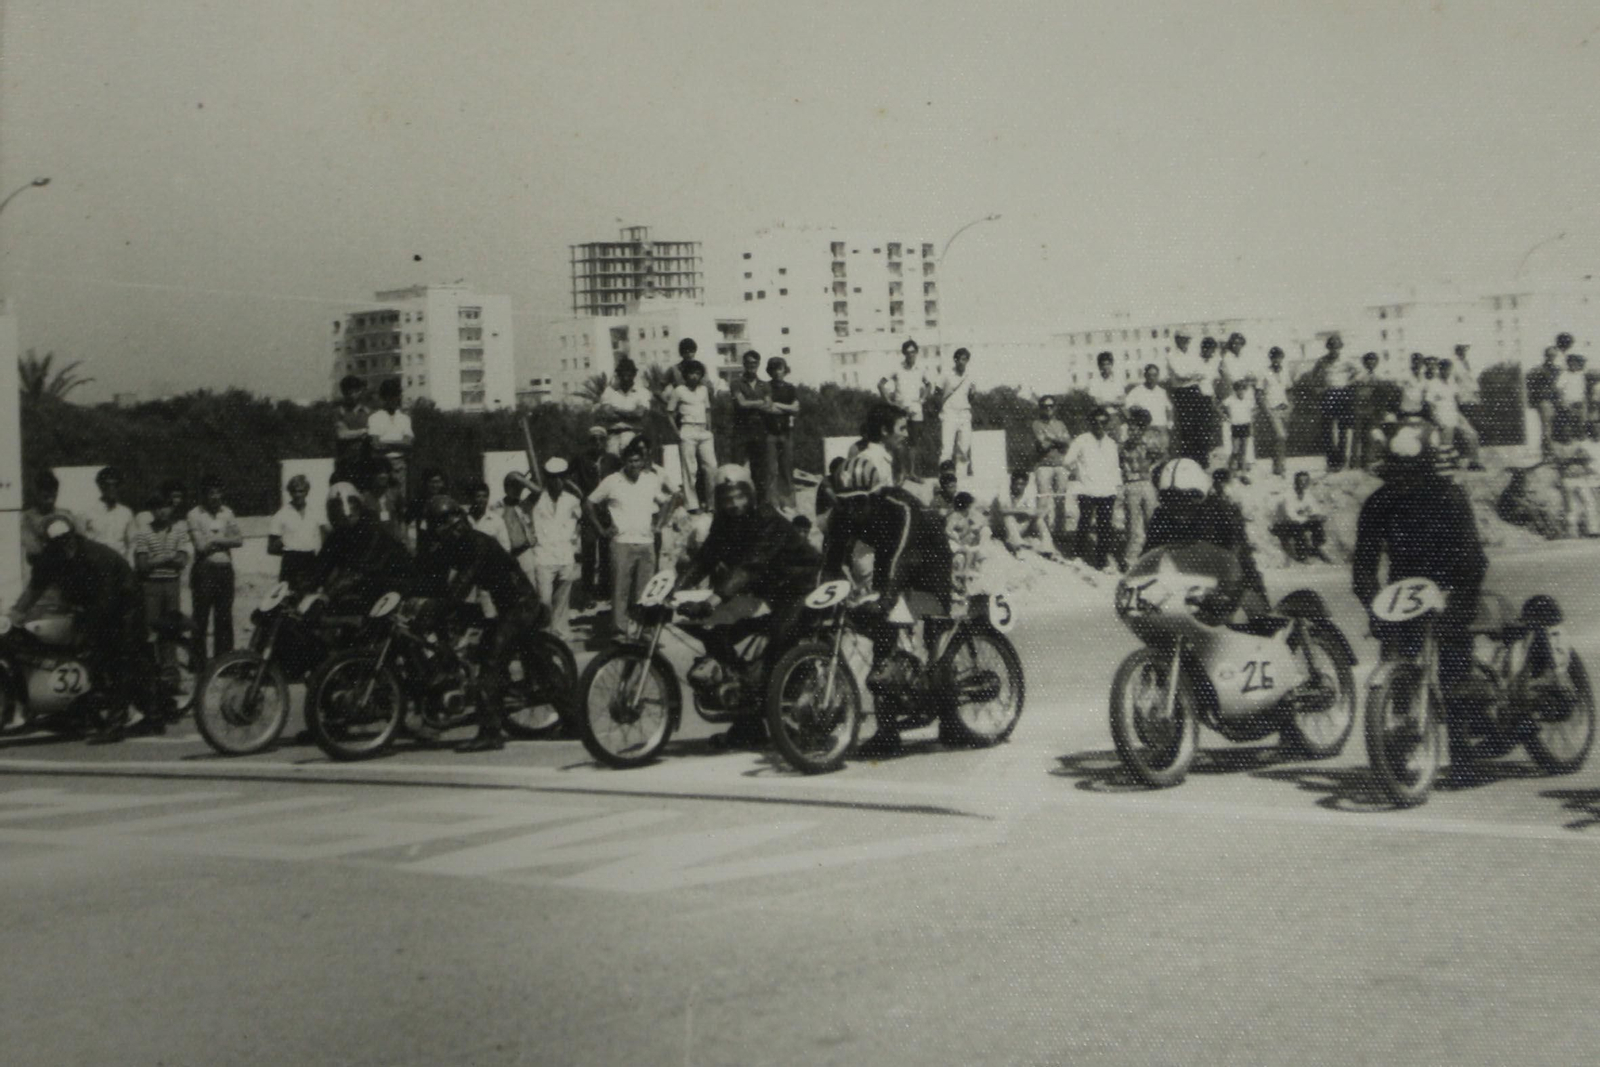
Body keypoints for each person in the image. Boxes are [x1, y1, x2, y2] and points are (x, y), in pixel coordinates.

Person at [820, 403, 955, 755]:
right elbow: (831, 559)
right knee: (883, 638)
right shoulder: (846, 513)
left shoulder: (898, 509)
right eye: (845, 504)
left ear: (873, 495)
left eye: (858, 503)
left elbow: (900, 557)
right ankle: (888, 731)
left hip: (928, 555)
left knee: (934, 633)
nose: (852, 511)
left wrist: (886, 596)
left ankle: (951, 716)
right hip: (892, 556)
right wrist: (824, 593)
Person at [676, 463, 822, 749]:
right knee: (715, 631)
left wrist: (714, 599)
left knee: (782, 639)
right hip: (766, 590)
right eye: (727, 499)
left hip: (799, 586)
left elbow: (751, 565)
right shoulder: (723, 521)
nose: (734, 504)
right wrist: (675, 591)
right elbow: (705, 558)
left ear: (750, 494)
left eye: (739, 496)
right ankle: (747, 719)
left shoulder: (767, 518)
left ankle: (794, 718)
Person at [1352, 422, 1488, 715]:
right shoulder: (1378, 504)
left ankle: (1466, 729)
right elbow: (1363, 566)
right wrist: (1374, 605)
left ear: (1427, 467)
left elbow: (1472, 560)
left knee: (1457, 679)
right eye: (1398, 470)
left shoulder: (1450, 497)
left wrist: (1457, 604)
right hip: (1403, 592)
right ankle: (1398, 734)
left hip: (1449, 588)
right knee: (1396, 661)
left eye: (1412, 471)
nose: (1404, 480)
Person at [9, 521, 172, 738]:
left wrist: (88, 631)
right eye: (57, 543)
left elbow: (104, 600)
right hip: (95, 606)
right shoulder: (50, 558)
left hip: (125, 603)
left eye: (66, 540)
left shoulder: (95, 557)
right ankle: (83, 712)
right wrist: (14, 615)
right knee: (86, 655)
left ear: (73, 538)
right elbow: (34, 589)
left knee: (121, 658)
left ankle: (119, 722)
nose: (64, 546)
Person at [412, 496, 549, 754]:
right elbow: (432, 575)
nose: (441, 531)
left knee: (490, 661)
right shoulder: (453, 546)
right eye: (436, 526)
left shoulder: (478, 544)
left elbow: (461, 585)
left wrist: (437, 608)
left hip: (521, 604)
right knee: (537, 660)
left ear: (456, 521)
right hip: (505, 606)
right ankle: (572, 716)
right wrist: (415, 596)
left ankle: (490, 733)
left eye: (443, 524)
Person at [1144, 457, 1268, 612]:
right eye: (1169, 499)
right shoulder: (1160, 516)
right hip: (1178, 590)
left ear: (1199, 496)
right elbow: (1148, 556)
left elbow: (1240, 558)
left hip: (1224, 588)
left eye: (1184, 499)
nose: (1177, 507)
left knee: (1253, 613)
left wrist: (1233, 592)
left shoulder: (1222, 513)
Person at [584, 435, 674, 636]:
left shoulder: (651, 480)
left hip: (646, 543)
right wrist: (601, 530)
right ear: (624, 462)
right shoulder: (612, 480)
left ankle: (644, 631)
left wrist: (660, 524)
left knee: (646, 592)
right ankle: (619, 632)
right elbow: (589, 503)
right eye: (630, 461)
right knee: (620, 590)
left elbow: (668, 500)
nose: (634, 465)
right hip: (621, 544)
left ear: (642, 462)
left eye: (637, 461)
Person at [311, 483, 416, 616]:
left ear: (359, 508)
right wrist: (304, 587)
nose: (346, 517)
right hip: (368, 585)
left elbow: (359, 571)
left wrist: (328, 594)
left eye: (351, 511)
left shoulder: (372, 531)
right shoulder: (338, 534)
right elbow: (322, 564)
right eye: (338, 513)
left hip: (393, 585)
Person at [132, 487, 191, 680]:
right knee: (151, 631)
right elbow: (142, 565)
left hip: (172, 585)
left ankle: (171, 676)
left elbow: (182, 561)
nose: (162, 512)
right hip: (151, 586)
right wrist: (166, 558)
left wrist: (156, 559)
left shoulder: (179, 530)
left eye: (165, 507)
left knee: (171, 629)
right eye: (157, 508)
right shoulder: (143, 532)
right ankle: (150, 676)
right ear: (152, 511)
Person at [187, 473, 242, 661]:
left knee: (224, 616)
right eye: (211, 493)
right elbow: (200, 547)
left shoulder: (228, 513)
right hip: (204, 570)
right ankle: (198, 661)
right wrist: (225, 541)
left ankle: (224, 660)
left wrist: (216, 539)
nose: (215, 497)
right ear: (204, 494)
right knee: (201, 616)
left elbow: (239, 540)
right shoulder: (194, 514)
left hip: (225, 570)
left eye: (218, 493)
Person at [529, 457, 583, 640]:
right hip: (543, 558)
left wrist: (574, 542)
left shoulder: (572, 500)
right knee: (544, 602)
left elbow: (580, 521)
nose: (557, 481)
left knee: (561, 604)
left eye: (561, 477)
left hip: (565, 557)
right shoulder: (535, 499)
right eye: (552, 477)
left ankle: (559, 639)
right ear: (546, 478)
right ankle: (544, 637)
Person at [1065, 405, 1123, 571]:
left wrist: (1116, 489)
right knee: (1084, 523)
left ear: (1107, 424)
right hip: (1087, 489)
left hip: (1106, 490)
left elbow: (1115, 467)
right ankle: (1078, 556)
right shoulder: (1081, 440)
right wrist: (1076, 472)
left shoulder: (1111, 443)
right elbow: (1067, 461)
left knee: (1105, 526)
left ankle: (1101, 561)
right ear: (1090, 423)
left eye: (1103, 423)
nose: (1100, 426)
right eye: (1096, 423)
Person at [666, 358, 717, 513]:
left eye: (697, 373)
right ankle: (692, 505)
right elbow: (669, 414)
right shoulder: (679, 391)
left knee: (711, 467)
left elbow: (707, 410)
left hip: (703, 431)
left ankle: (712, 503)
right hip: (687, 430)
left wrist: (709, 428)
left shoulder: (703, 390)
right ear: (685, 375)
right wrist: (677, 433)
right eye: (691, 373)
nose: (694, 376)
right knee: (690, 469)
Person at [879, 338, 929, 480]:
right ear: (903, 354)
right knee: (899, 441)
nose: (910, 355)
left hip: (915, 409)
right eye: (907, 353)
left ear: (917, 353)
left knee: (914, 442)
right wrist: (889, 402)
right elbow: (880, 384)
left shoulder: (921, 368)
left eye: (913, 352)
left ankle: (912, 473)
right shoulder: (896, 368)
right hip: (900, 409)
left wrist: (922, 399)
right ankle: (900, 473)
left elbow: (929, 385)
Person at [268, 474, 327, 590]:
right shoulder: (281, 515)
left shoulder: (315, 512)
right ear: (290, 493)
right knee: (289, 598)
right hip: (290, 561)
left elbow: (328, 534)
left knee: (310, 597)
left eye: (301, 491)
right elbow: (271, 548)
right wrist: (287, 542)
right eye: (294, 491)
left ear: (307, 492)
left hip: (310, 559)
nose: (297, 495)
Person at [1119, 407, 1163, 564]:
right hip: (1131, 484)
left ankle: (1151, 556)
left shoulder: (1150, 442)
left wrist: (1151, 467)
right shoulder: (1125, 444)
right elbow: (1122, 459)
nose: (1135, 429)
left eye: (1140, 425)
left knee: (1151, 520)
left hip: (1146, 482)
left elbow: (1160, 456)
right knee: (1132, 524)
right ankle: (1129, 558)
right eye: (1135, 425)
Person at [728, 350, 772, 502]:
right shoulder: (736, 383)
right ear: (744, 364)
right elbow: (741, 404)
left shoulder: (764, 385)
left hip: (759, 429)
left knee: (759, 470)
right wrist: (760, 403)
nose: (751, 366)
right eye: (748, 363)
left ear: (758, 364)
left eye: (754, 363)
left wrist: (752, 404)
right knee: (737, 467)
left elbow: (769, 405)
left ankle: (760, 503)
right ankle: (736, 500)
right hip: (741, 429)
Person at [1165, 329, 1212, 464]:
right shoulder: (1171, 355)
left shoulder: (1193, 355)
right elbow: (1180, 375)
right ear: (1177, 340)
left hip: (1195, 391)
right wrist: (1193, 376)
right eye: (1183, 339)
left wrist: (1191, 376)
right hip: (1181, 393)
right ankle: (1189, 461)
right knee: (1186, 427)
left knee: (1200, 426)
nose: (1186, 342)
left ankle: (1202, 460)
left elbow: (1201, 373)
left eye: (1188, 339)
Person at [1030, 395, 1073, 544]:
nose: (1048, 409)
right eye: (1045, 406)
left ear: (1054, 407)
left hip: (1060, 465)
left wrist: (1051, 438)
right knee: (1043, 500)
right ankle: (1043, 531)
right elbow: (1042, 446)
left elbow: (1068, 442)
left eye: (1051, 406)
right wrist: (1058, 439)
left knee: (1060, 500)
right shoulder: (1036, 424)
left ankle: (1060, 532)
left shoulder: (1060, 424)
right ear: (1040, 408)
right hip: (1044, 466)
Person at [931, 346, 976, 476]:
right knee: (947, 448)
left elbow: (971, 398)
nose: (963, 362)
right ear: (955, 360)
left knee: (964, 447)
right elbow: (937, 393)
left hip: (964, 413)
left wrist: (973, 393)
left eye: (966, 359)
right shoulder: (946, 374)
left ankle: (960, 477)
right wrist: (939, 408)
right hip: (949, 413)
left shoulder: (970, 375)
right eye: (961, 359)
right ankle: (945, 477)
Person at [20, 469, 82, 564]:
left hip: (68, 569)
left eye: (53, 489)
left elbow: (80, 541)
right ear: (36, 492)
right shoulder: (28, 518)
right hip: (43, 569)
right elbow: (33, 550)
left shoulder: (67, 514)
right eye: (44, 489)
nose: (49, 494)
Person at [1431, 358, 1483, 470]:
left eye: (1449, 370)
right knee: (1446, 444)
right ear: (1440, 369)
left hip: (1455, 414)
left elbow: (1457, 400)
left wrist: (1463, 414)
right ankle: (1447, 466)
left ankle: (1474, 463)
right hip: (1442, 415)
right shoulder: (1433, 384)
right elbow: (1430, 406)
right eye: (1445, 370)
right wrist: (1437, 421)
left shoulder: (1452, 383)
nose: (1447, 372)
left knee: (1472, 434)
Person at [366, 378, 414, 498]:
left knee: (400, 499)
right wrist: (399, 443)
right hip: (381, 466)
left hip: (400, 465)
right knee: (383, 499)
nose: (392, 399)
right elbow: (375, 445)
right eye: (389, 396)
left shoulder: (404, 418)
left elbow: (408, 444)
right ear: (383, 397)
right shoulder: (375, 418)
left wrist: (386, 443)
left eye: (395, 395)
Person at [1315, 334, 1356, 471]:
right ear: (1328, 348)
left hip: (1343, 394)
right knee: (1328, 429)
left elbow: (1360, 373)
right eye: (1332, 347)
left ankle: (1342, 460)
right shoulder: (1322, 361)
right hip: (1328, 394)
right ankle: (1331, 461)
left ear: (1341, 347)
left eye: (1337, 347)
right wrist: (1320, 388)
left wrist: (1350, 382)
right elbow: (1314, 375)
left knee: (1343, 429)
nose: (1334, 350)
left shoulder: (1347, 360)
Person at [1271, 471, 1332, 563]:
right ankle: (1302, 555)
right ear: (1296, 482)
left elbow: (1315, 509)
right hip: (1282, 524)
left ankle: (1316, 548)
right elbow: (1291, 516)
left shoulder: (1307, 494)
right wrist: (1309, 517)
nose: (1304, 484)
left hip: (1299, 521)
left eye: (1306, 481)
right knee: (1298, 527)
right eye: (1301, 481)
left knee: (1317, 524)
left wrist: (1317, 516)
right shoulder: (1288, 495)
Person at [596, 358, 652, 458]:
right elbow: (607, 414)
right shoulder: (609, 392)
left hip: (633, 436)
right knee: (612, 468)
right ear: (618, 374)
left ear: (634, 374)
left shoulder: (642, 392)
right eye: (623, 373)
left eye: (629, 373)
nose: (626, 377)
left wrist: (616, 410)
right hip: (613, 437)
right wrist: (630, 414)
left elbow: (639, 414)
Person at [764, 355, 799, 510]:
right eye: (774, 369)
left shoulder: (791, 388)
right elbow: (767, 407)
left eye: (780, 369)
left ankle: (789, 504)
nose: (777, 372)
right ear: (769, 371)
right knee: (771, 470)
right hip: (769, 433)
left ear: (785, 370)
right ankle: (773, 504)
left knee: (787, 468)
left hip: (786, 433)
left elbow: (796, 408)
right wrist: (786, 408)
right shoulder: (765, 387)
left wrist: (777, 405)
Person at [1553, 423, 1600, 538]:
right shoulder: (1557, 446)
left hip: (1581, 478)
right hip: (1567, 479)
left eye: (1569, 432)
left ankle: (1593, 530)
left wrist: (1570, 459)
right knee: (1571, 506)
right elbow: (1560, 462)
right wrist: (1574, 459)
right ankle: (1572, 532)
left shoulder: (1578, 445)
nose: (1567, 434)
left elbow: (1586, 458)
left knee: (1590, 503)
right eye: (1564, 432)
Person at [991, 470, 1052, 556]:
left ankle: (1047, 546)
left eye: (1022, 484)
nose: (1019, 487)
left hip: (1019, 526)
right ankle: (1017, 544)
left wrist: (1032, 512)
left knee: (1039, 520)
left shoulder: (1028, 493)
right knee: (1009, 517)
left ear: (1026, 484)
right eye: (1016, 484)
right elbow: (1002, 509)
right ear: (1012, 483)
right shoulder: (1004, 492)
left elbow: (1032, 511)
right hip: (1002, 528)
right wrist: (1023, 510)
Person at [1255, 346, 1295, 477]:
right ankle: (1278, 466)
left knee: (1282, 438)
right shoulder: (1264, 373)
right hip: (1272, 409)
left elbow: (1289, 390)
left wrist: (1290, 407)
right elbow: (1259, 394)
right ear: (1270, 358)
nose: (1277, 360)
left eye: (1279, 358)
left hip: (1285, 408)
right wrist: (1266, 411)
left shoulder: (1285, 371)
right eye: (1274, 358)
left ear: (1282, 358)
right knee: (1280, 436)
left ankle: (1279, 465)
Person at [493, 470, 538, 583]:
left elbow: (538, 492)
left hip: (525, 553)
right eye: (513, 486)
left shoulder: (524, 505)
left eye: (519, 487)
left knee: (531, 590)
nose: (517, 490)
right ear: (506, 488)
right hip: (507, 557)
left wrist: (521, 480)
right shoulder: (497, 507)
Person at [83, 466, 136, 561]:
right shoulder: (87, 512)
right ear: (100, 486)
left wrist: (129, 565)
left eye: (115, 485)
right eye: (107, 485)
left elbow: (132, 543)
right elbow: (81, 542)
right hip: (95, 565)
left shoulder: (126, 513)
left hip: (119, 565)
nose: (111, 489)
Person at [1350, 351, 1388, 472]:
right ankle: (1354, 463)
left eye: (1373, 361)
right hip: (1359, 410)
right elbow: (1353, 389)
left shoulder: (1380, 376)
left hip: (1372, 411)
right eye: (1368, 361)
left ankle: (1366, 462)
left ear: (1377, 363)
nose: (1371, 363)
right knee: (1356, 437)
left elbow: (1383, 395)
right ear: (1364, 363)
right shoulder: (1359, 376)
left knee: (1369, 436)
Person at [1125, 362, 1174, 457]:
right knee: (1147, 455)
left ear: (1158, 376)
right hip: (1145, 429)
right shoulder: (1137, 391)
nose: (1152, 378)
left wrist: (1170, 424)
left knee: (1162, 455)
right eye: (1149, 375)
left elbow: (1169, 408)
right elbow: (1127, 407)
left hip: (1161, 428)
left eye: (1155, 375)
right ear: (1145, 375)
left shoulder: (1162, 392)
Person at [332, 374, 372, 484]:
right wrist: (363, 431)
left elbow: (372, 434)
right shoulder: (339, 412)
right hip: (345, 461)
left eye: (354, 391)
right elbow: (342, 434)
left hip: (364, 461)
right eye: (347, 392)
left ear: (360, 391)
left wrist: (351, 433)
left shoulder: (367, 412)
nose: (351, 395)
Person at [1526, 345, 1563, 456]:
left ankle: (1550, 450)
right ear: (1545, 355)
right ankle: (1548, 451)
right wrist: (1533, 401)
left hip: (1555, 400)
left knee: (1554, 425)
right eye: (1549, 355)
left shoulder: (1558, 370)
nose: (1551, 357)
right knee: (1546, 426)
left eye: (1553, 355)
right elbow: (1531, 386)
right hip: (1544, 400)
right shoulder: (1538, 370)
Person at [1085, 351, 1128, 441]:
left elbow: (1123, 401)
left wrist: (1106, 401)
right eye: (1103, 365)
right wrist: (1114, 401)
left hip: (1114, 417)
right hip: (1100, 418)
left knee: (1116, 443)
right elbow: (1096, 402)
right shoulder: (1094, 382)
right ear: (1099, 366)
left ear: (1112, 365)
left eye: (1108, 364)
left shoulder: (1117, 381)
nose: (1106, 367)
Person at [1554, 351, 1592, 444]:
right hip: (1568, 401)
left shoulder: (1581, 375)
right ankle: (1567, 439)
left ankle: (1580, 439)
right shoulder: (1564, 375)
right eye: (1571, 362)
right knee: (1568, 421)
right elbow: (1559, 389)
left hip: (1580, 401)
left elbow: (1584, 389)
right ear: (1568, 363)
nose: (1573, 365)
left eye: (1576, 362)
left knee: (1581, 420)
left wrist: (1584, 401)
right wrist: (1562, 401)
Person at [1223, 378, 1256, 480]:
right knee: (1235, 450)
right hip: (1236, 426)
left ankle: (1243, 472)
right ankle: (1229, 470)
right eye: (1238, 389)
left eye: (1243, 389)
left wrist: (1251, 422)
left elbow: (1253, 412)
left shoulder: (1248, 400)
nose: (1240, 391)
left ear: (1245, 390)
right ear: (1235, 390)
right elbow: (1220, 407)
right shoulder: (1230, 399)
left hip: (1245, 425)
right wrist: (1225, 416)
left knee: (1244, 450)